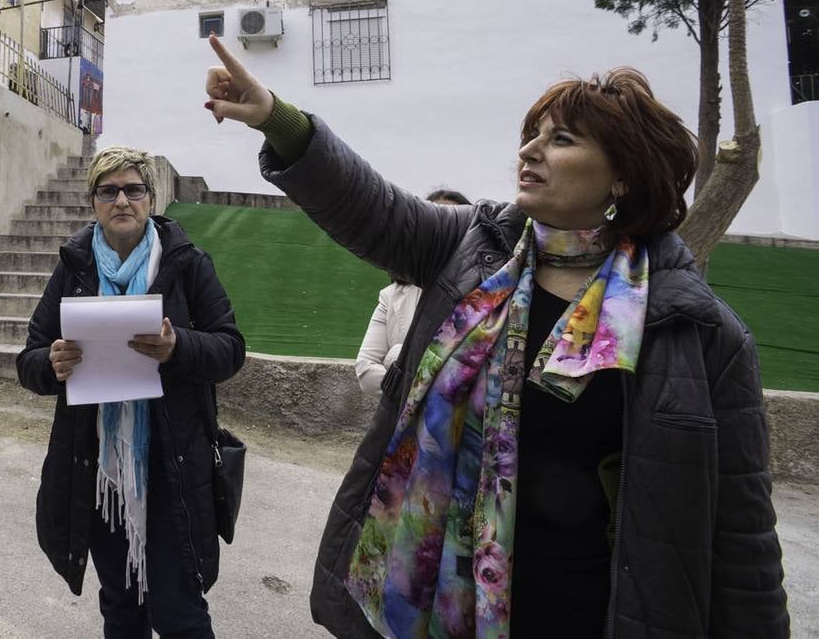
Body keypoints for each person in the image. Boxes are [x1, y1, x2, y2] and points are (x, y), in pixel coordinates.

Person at [202, 35, 787, 639]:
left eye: (560, 139)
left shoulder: (697, 330)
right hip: (430, 599)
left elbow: (741, 534)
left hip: (585, 611)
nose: (530, 150)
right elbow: (369, 206)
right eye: (533, 134)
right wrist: (277, 118)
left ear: (622, 177)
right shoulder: (472, 247)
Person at [17, 145, 245, 639]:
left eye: (134, 190)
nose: (123, 200)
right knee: (121, 609)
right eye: (109, 191)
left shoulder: (186, 263)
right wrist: (51, 364)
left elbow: (230, 349)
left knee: (180, 613)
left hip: (172, 468)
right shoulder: (74, 267)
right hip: (98, 472)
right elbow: (29, 360)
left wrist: (177, 347)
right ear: (94, 201)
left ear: (150, 198)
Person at [355, 189, 470, 402]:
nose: (445, 232)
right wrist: (420, 393)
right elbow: (365, 372)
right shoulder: (390, 297)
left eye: (453, 223)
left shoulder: (484, 293)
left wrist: (397, 358)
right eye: (437, 222)